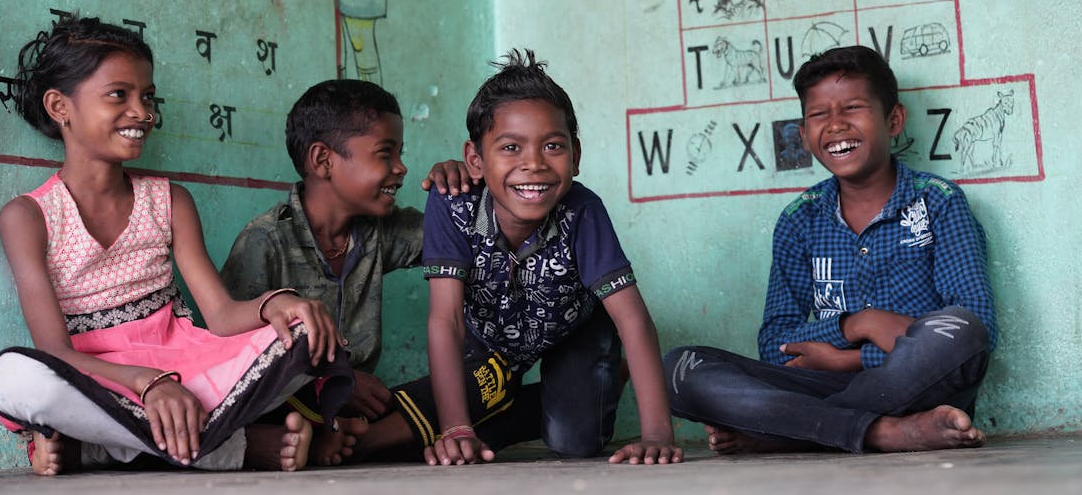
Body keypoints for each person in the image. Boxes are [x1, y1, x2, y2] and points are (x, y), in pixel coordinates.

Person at [0, 16, 352, 475]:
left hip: (189, 364)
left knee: (305, 334)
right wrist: (147, 383)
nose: (143, 112)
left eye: (147, 97)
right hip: (99, 380)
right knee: (14, 376)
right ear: (60, 106)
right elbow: (56, 353)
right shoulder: (28, 217)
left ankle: (97, 448)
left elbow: (220, 316)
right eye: (119, 94)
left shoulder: (169, 200)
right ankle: (232, 449)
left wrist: (280, 303)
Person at [355, 49, 683, 466]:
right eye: (510, 147)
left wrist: (657, 432)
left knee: (574, 442)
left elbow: (632, 318)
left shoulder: (583, 211)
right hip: (488, 341)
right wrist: (457, 427)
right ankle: (513, 403)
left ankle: (601, 376)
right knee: (452, 426)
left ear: (576, 156)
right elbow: (447, 319)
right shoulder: (453, 204)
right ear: (475, 159)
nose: (533, 164)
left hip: (572, 331)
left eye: (552, 146)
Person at [664, 45, 998, 453]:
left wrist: (851, 360)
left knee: (960, 333)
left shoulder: (938, 203)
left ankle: (786, 432)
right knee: (681, 370)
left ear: (894, 120)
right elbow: (775, 342)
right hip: (817, 383)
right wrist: (855, 325)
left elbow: (976, 327)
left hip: (913, 382)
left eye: (853, 108)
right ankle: (885, 432)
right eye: (819, 115)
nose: (836, 126)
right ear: (803, 135)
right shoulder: (799, 219)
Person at [219, 79, 470, 465]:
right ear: (323, 161)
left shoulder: (379, 232)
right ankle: (327, 441)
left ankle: (349, 442)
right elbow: (229, 363)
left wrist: (458, 188)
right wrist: (328, 385)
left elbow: (460, 240)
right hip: (288, 406)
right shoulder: (265, 242)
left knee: (483, 380)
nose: (401, 169)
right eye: (385, 154)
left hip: (357, 411)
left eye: (400, 154)